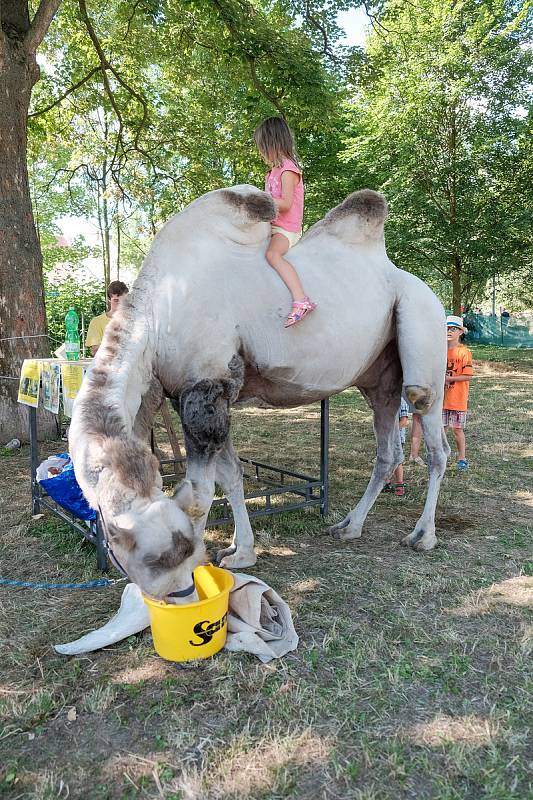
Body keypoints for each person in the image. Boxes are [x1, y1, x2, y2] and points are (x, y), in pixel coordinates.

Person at [254, 116, 317, 327]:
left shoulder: (288, 169)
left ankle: (301, 300)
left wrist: (261, 199)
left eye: (263, 147)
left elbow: (287, 203)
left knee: (272, 254)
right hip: (271, 226)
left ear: (273, 143)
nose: (261, 152)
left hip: (286, 229)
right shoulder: (271, 172)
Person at [443, 315, 474, 471]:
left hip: (457, 399)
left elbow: (468, 375)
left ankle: (462, 458)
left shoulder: (464, 352)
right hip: (441, 399)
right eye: (447, 328)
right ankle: (440, 455)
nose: (449, 331)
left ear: (460, 332)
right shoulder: (439, 350)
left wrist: (449, 378)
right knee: (441, 429)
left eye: (453, 329)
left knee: (457, 430)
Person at [86, 280, 129, 356]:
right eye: (116, 300)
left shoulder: (134, 322)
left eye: (123, 300)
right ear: (109, 300)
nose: (120, 304)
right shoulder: (97, 322)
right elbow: (95, 351)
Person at [383, 397, 409, 496]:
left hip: (397, 438)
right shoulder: (383, 401)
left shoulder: (401, 402)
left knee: (397, 461)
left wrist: (392, 430)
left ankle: (399, 483)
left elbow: (404, 421)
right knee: (384, 459)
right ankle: (386, 482)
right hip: (384, 437)